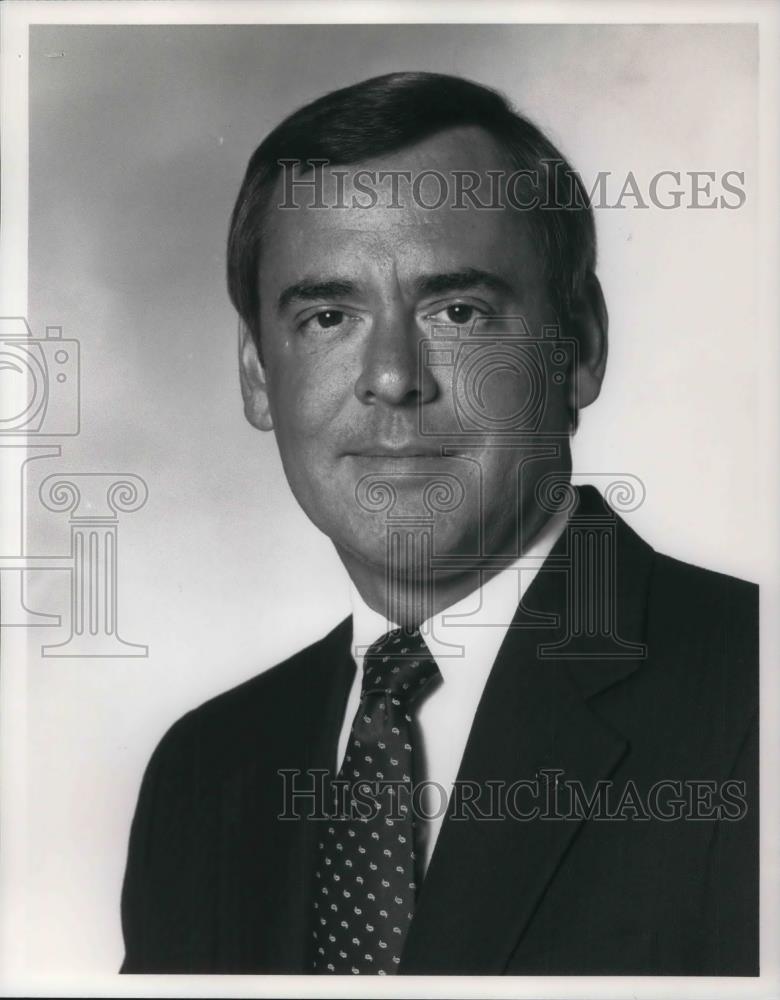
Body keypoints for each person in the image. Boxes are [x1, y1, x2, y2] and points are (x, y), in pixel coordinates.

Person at [119, 72, 758, 976]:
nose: (392, 376)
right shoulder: (204, 772)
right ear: (259, 374)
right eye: (329, 315)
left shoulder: (749, 697)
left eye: (457, 311)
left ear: (579, 347)